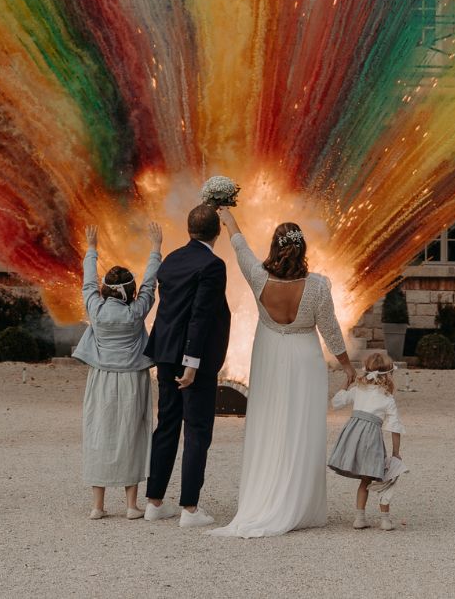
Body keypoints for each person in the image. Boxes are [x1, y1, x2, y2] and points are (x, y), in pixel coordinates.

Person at [212, 207, 355, 537]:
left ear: (275, 248)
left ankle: (263, 497)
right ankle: (299, 504)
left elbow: (239, 245)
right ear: (303, 249)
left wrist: (227, 214)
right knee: (301, 426)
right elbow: (330, 329)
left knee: (269, 423)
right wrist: (346, 364)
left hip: (270, 352)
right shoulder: (318, 287)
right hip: (304, 356)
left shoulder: (257, 276)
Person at [143, 203, 231, 527]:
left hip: (165, 354)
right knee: (196, 431)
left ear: (189, 230)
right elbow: (200, 315)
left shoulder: (171, 261)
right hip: (194, 361)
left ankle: (154, 501)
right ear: (217, 232)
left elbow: (172, 311)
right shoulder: (213, 265)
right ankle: (190, 509)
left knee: (166, 424)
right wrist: (192, 362)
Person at [73, 221, 162, 520]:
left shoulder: (96, 310)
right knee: (131, 435)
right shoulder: (137, 312)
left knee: (99, 434)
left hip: (101, 379)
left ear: (106, 290)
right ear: (130, 292)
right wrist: (155, 248)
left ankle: (98, 506)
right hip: (132, 379)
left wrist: (92, 249)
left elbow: (87, 282)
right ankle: (130, 505)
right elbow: (151, 283)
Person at [328, 349, 405, 531]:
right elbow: (394, 427)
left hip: (352, 437)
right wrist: (395, 453)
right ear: (389, 374)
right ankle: (385, 520)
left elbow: (336, 402)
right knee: (383, 476)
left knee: (365, 479)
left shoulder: (357, 390)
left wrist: (346, 383)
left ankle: (359, 518)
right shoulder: (387, 398)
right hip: (371, 440)